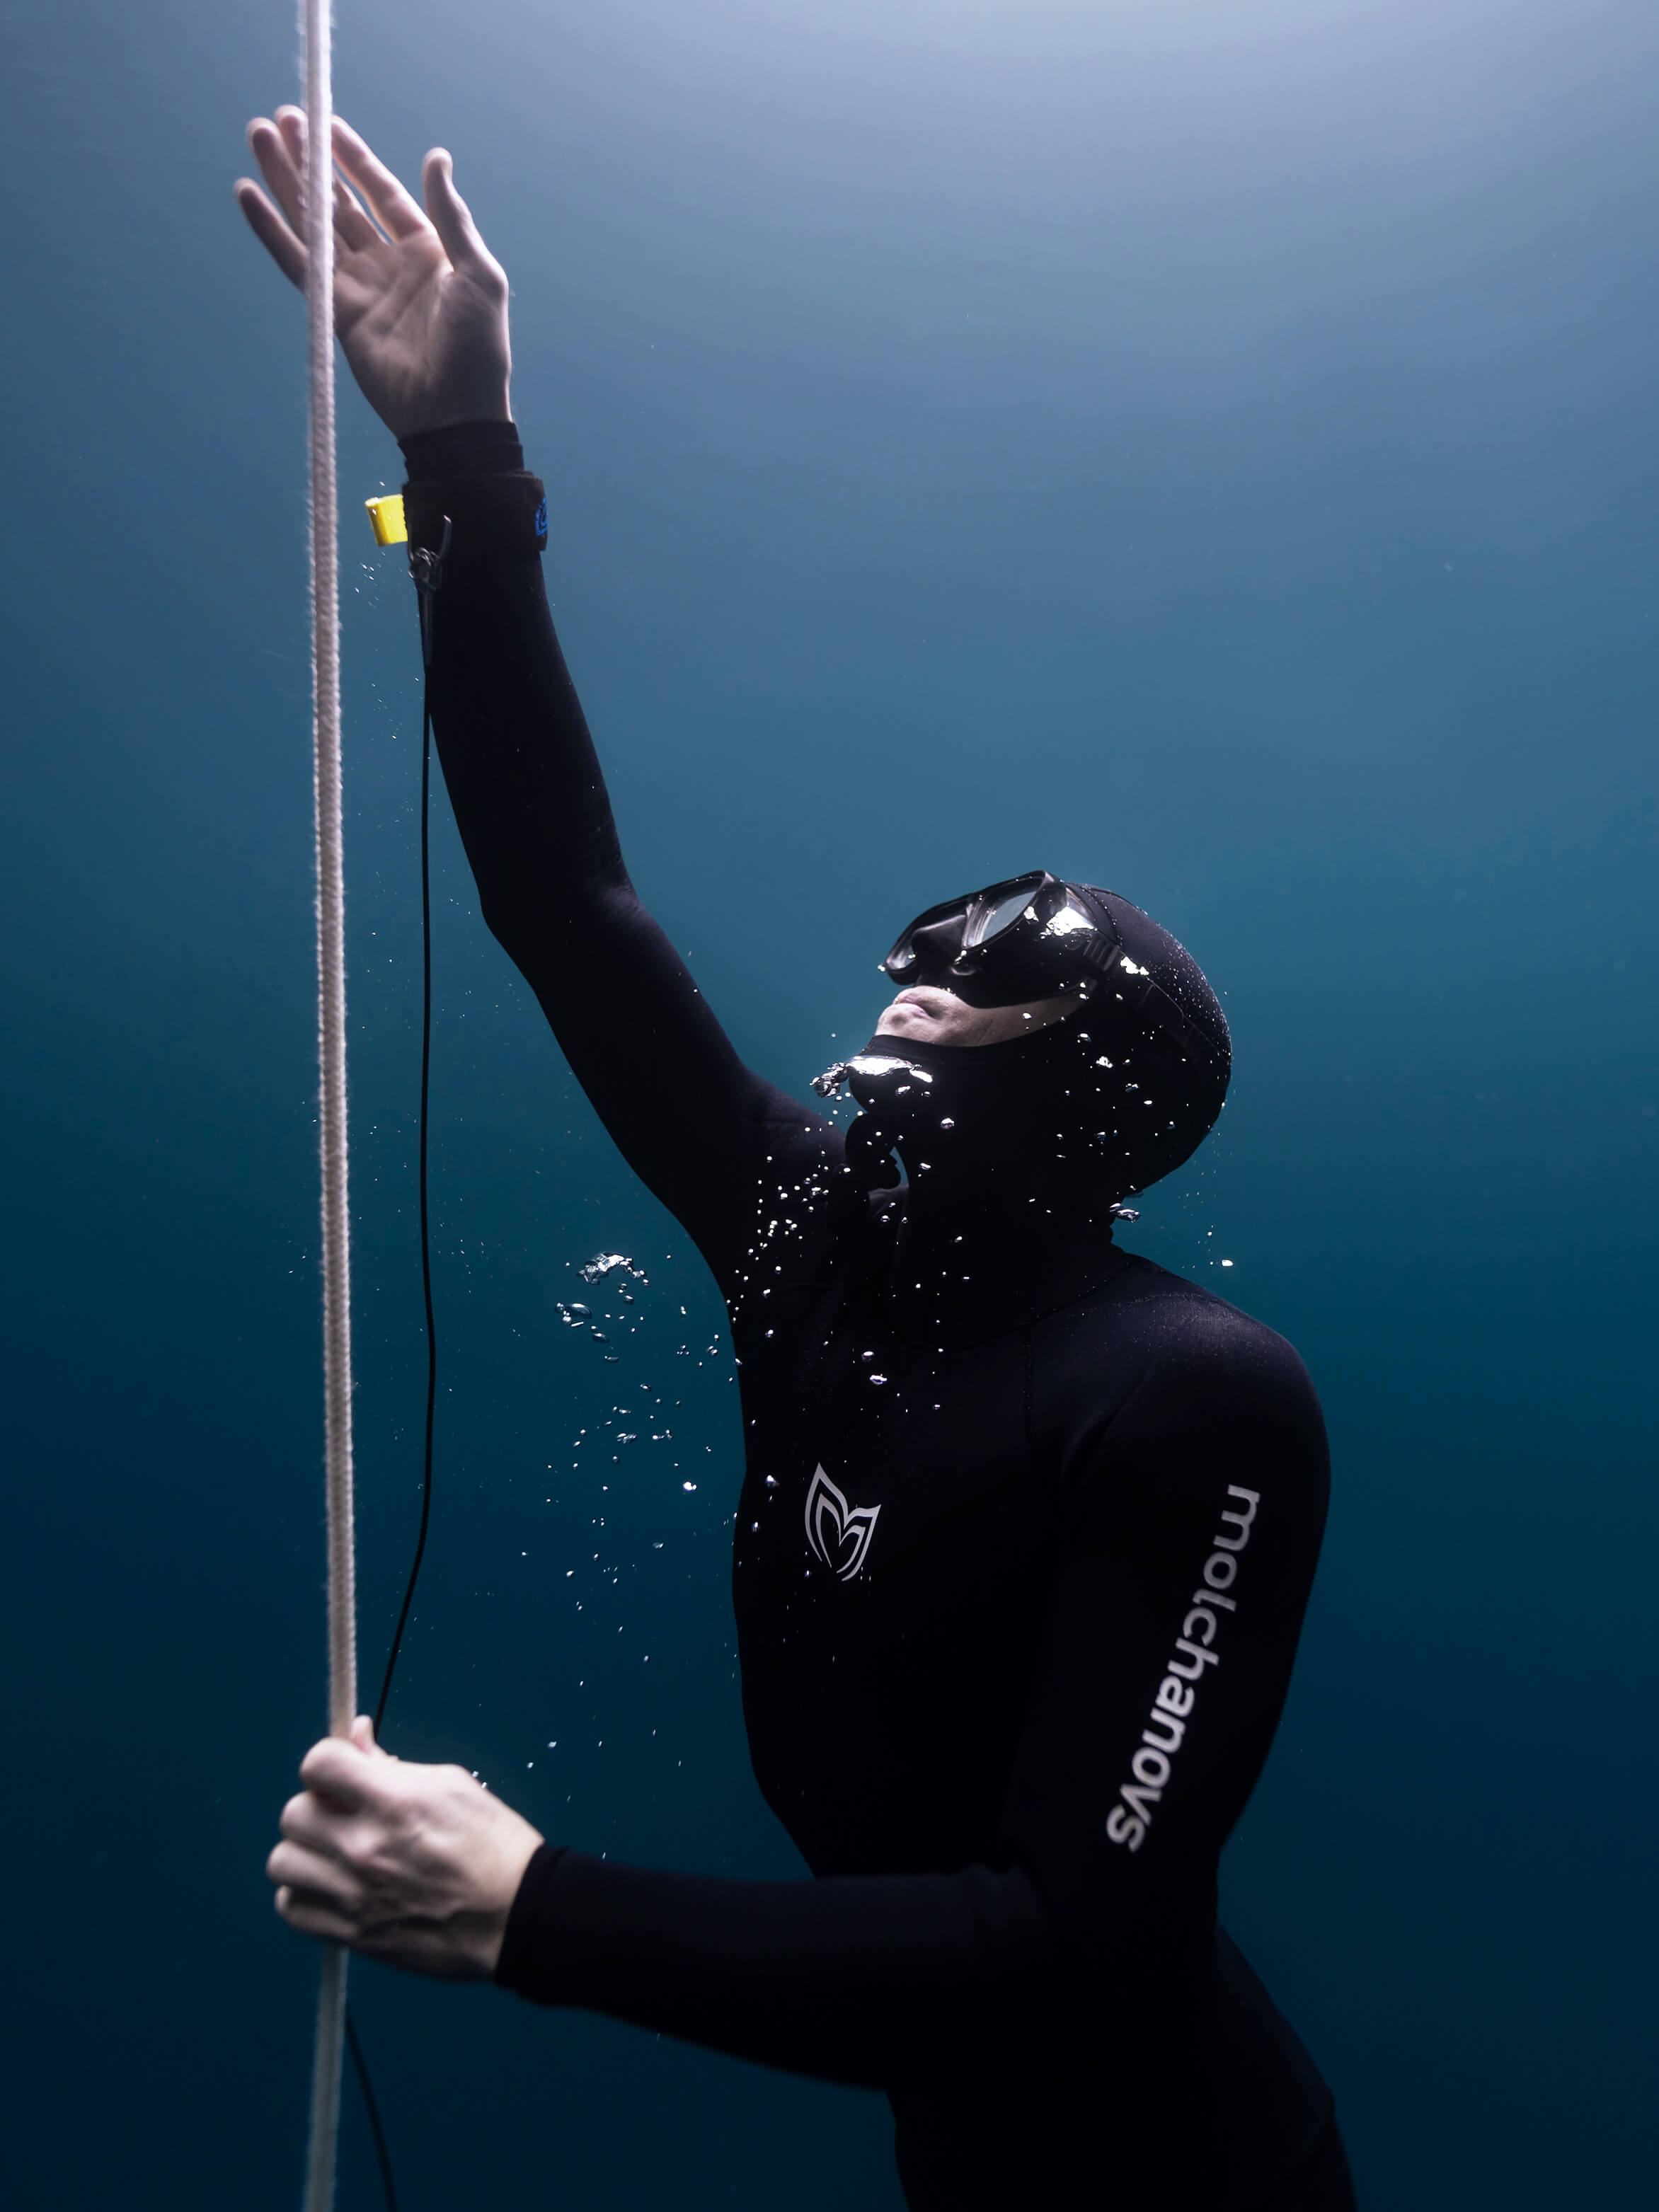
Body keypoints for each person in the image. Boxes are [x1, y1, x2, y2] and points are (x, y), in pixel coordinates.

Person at [239, 109, 1355, 2211]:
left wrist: (528, 1912)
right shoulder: (803, 1235)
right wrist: (465, 448)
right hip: (970, 2154)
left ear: (1105, 1061)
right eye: (934, 934)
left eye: (997, 955)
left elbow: (1070, 1941)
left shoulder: (1195, 1398)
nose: (924, 964)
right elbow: (567, 905)